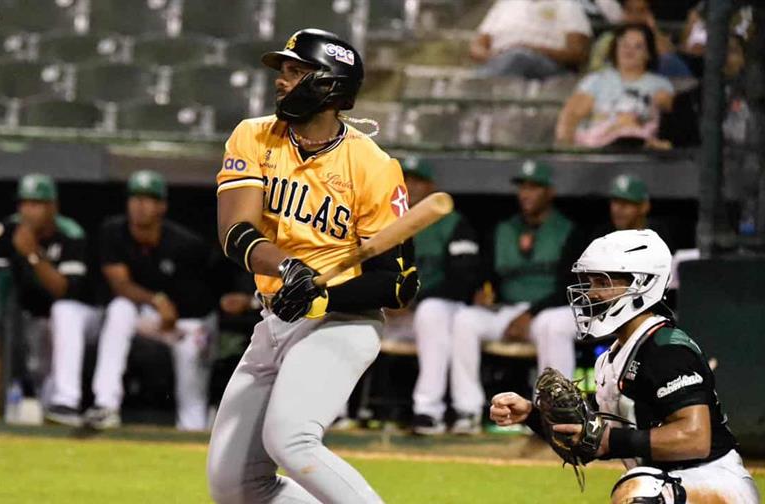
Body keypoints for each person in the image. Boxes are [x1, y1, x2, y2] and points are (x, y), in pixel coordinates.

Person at [206, 28, 418, 504]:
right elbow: (235, 232)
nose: (282, 81)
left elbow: (399, 284)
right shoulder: (253, 136)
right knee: (234, 486)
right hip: (278, 312)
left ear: (329, 85)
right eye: (283, 71)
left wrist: (326, 294)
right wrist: (291, 271)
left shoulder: (374, 166)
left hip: (342, 321)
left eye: (296, 71)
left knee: (291, 439)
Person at [489, 229, 760, 503]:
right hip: (673, 485)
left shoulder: (666, 349)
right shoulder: (612, 358)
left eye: (602, 282)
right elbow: (588, 444)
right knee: (640, 486)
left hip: (714, 485)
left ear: (642, 283)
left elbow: (695, 438)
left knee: (640, 489)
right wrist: (532, 415)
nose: (592, 293)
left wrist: (610, 440)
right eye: (590, 282)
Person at [448, 159, 585, 434]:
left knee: (551, 325)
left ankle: (556, 413)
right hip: (508, 310)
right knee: (464, 319)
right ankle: (467, 410)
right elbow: (488, 274)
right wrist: (483, 292)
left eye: (534, 187)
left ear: (550, 192)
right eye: (522, 187)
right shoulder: (503, 229)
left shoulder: (569, 230)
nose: (526, 193)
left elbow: (570, 287)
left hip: (548, 310)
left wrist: (530, 314)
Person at [84, 170, 217, 431]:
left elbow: (201, 305)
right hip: (148, 317)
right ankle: (105, 404)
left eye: (148, 199)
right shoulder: (114, 232)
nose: (139, 206)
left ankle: (192, 428)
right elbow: (119, 285)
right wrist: (157, 300)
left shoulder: (186, 245)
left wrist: (174, 316)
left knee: (192, 358)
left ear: (162, 206)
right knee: (119, 309)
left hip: (188, 322)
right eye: (135, 198)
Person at [383, 156, 481, 435]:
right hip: (395, 312)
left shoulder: (452, 223)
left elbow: (463, 279)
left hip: (441, 310)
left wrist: (415, 299)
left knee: (431, 313)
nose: (411, 187)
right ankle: (338, 413)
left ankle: (428, 411)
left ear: (432, 186)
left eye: (418, 181)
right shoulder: (386, 219)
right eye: (406, 181)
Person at [0, 174, 96, 427]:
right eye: (24, 203)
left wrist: (32, 254)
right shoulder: (8, 230)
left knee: (63, 311)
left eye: (36, 204)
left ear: (52, 206)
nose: (28, 211)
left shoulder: (70, 234)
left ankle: (67, 401)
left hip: (79, 321)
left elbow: (64, 291)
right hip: (27, 322)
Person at [556, 23, 674, 150]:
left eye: (638, 47)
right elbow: (571, 115)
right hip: (598, 149)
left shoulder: (660, 84)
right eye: (625, 45)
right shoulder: (596, 80)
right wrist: (565, 148)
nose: (629, 51)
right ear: (615, 48)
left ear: (648, 53)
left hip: (642, 151)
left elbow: (667, 118)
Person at [471, 0, 592, 79]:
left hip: (548, 65)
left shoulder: (567, 5)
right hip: (500, 60)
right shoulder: (505, 5)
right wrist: (494, 55)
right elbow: (477, 46)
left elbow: (578, 52)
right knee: (512, 58)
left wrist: (531, 49)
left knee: (518, 56)